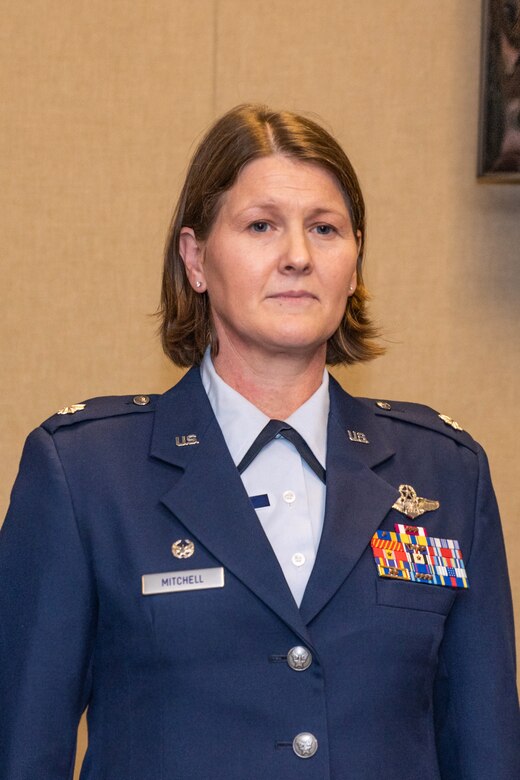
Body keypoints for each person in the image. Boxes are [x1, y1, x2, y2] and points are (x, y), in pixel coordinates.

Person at [0, 104, 518, 780]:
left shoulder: (446, 474)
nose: (298, 256)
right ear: (196, 258)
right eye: (261, 225)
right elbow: (22, 752)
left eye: (325, 229)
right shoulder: (84, 474)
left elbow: (487, 754)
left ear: (355, 261)